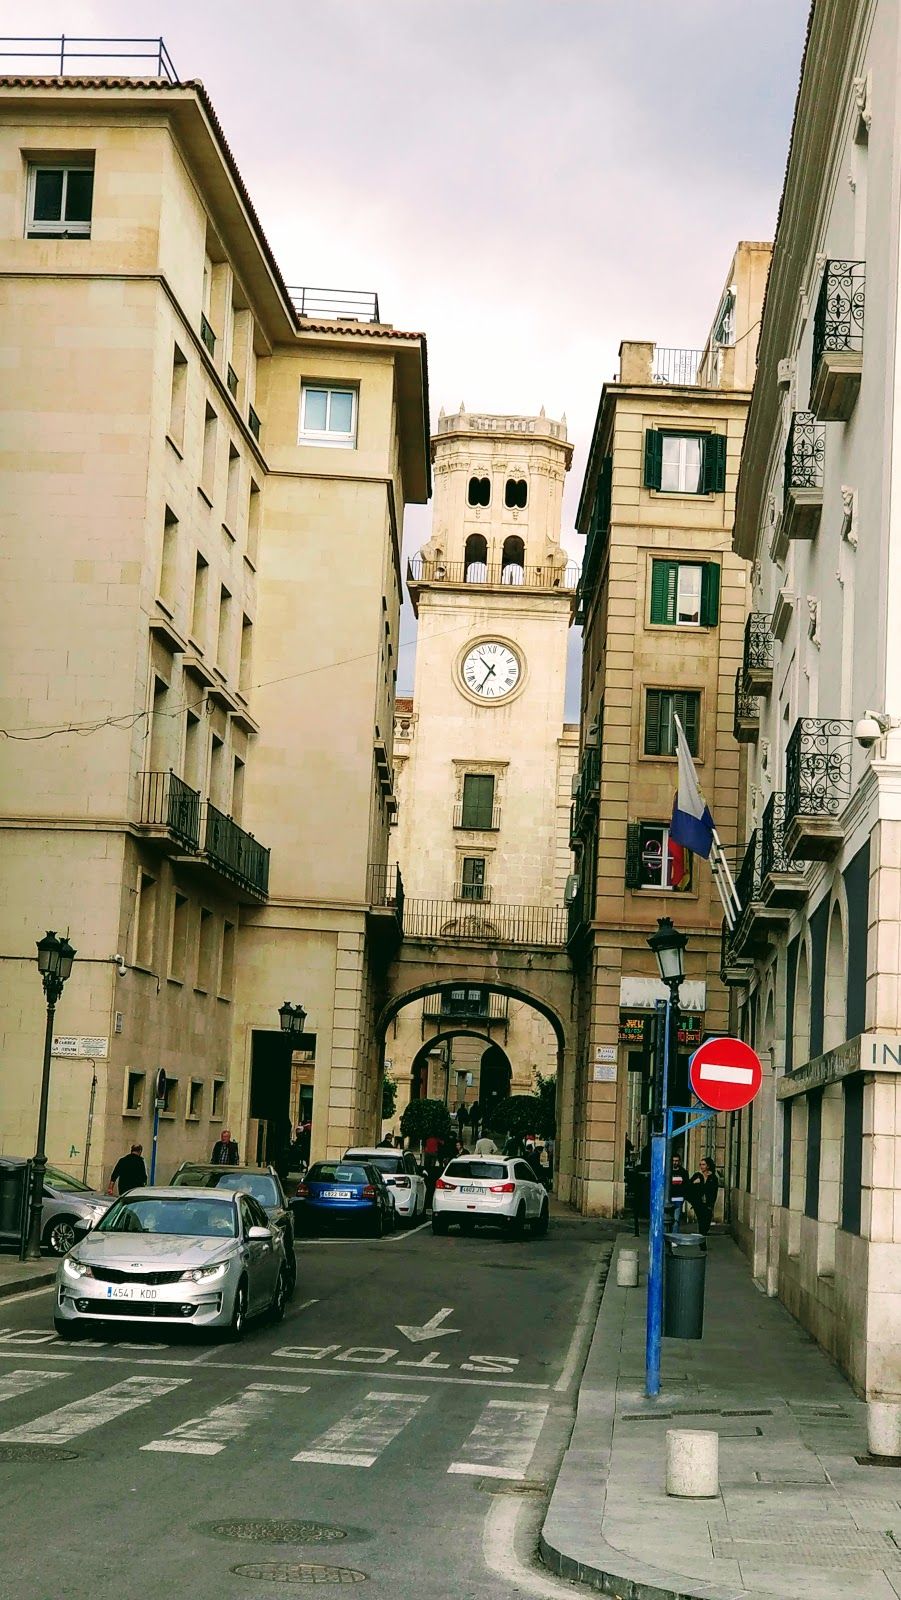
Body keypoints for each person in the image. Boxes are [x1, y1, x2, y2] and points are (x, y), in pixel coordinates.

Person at [688, 1157, 719, 1235]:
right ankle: (702, 1241)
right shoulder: (697, 1175)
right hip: (698, 1203)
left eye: (703, 1164)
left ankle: (702, 1235)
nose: (702, 1166)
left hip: (708, 1203)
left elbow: (714, 1191)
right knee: (701, 1221)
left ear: (708, 1166)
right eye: (700, 1164)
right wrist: (694, 1183)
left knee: (707, 1223)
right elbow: (688, 1186)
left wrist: (712, 1204)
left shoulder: (713, 1177)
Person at [669, 1151, 687, 1229]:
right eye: (673, 1161)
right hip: (669, 1199)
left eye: (676, 1161)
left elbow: (686, 1184)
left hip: (679, 1198)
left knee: (676, 1220)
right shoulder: (668, 1171)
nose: (675, 1163)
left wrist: (684, 1196)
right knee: (668, 1219)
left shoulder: (683, 1172)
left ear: (679, 1161)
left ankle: (674, 1237)